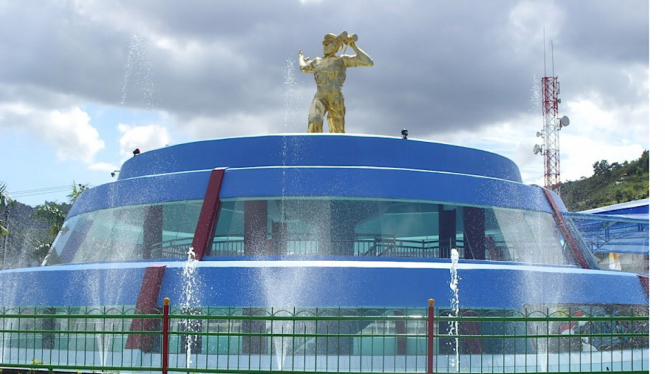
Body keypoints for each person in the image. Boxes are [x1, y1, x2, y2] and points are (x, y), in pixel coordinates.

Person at [298, 31, 373, 133]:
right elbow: (303, 68)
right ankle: (313, 147)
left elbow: (368, 62)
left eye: (328, 43)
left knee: (337, 132)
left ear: (336, 46)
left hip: (336, 98)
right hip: (320, 96)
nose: (325, 46)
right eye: (324, 44)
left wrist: (353, 46)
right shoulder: (317, 61)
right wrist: (300, 58)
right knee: (314, 121)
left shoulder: (342, 60)